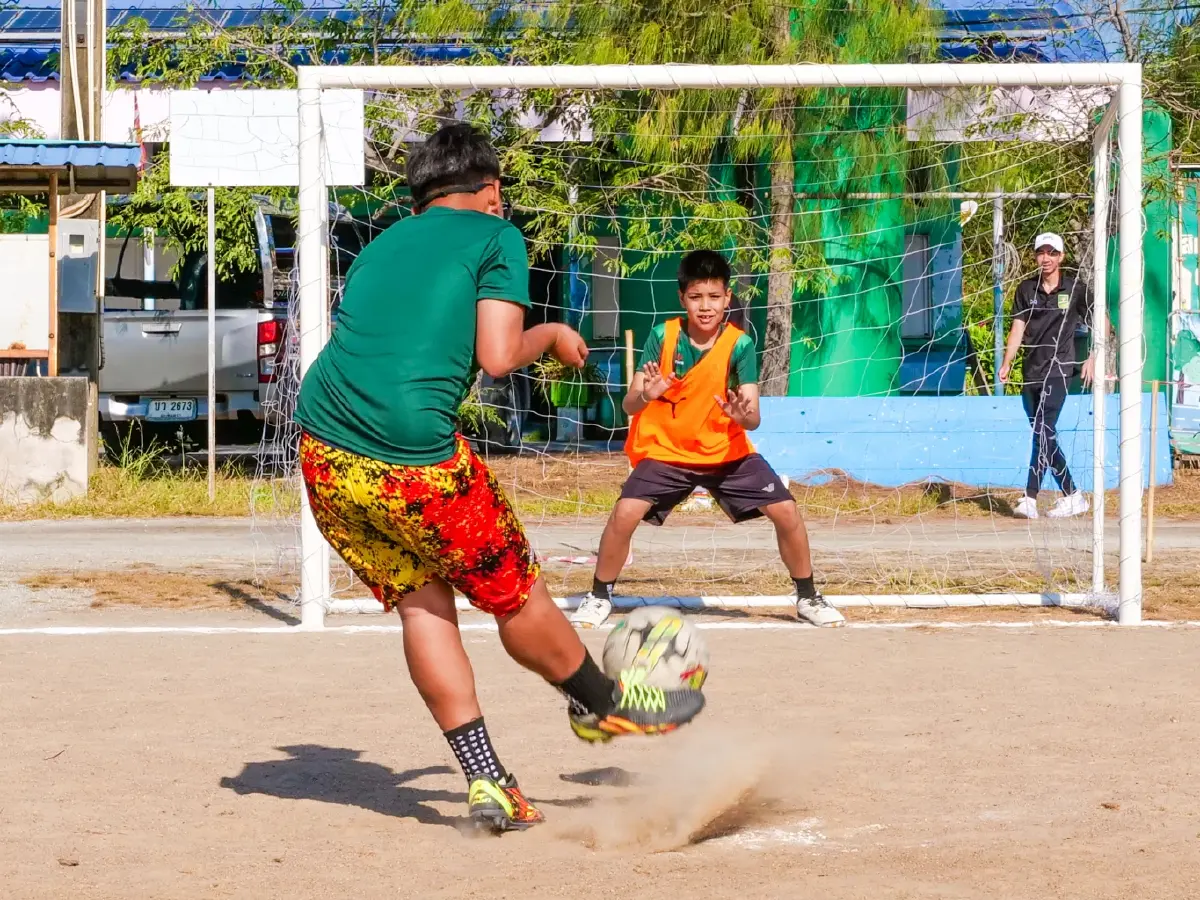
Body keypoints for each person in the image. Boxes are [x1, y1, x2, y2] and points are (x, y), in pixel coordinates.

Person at [292, 122, 705, 834]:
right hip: (415, 464)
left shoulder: (384, 241)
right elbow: (498, 355)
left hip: (325, 454)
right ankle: (602, 704)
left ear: (422, 195)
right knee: (516, 597)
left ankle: (489, 782)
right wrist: (554, 335)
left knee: (423, 606)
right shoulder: (495, 235)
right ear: (491, 190)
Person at [570, 250, 845, 629]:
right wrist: (647, 394)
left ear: (727, 298)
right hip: (668, 452)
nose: (705, 306)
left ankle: (808, 596)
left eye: (714, 297)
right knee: (624, 512)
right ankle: (600, 595)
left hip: (726, 452)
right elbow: (630, 404)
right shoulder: (662, 336)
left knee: (786, 511)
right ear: (682, 298)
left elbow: (753, 419)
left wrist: (741, 414)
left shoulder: (740, 345)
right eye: (696, 297)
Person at [998, 232, 1095, 519]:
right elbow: (1017, 327)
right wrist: (1007, 362)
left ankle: (1031, 497)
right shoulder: (1026, 289)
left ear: (1061, 257)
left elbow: (1099, 320)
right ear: (1035, 256)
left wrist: (1093, 356)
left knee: (1044, 430)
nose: (1046, 258)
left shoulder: (1075, 289)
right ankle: (1072, 495)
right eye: (1041, 252)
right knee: (1042, 435)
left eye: (1052, 253)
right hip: (1032, 370)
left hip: (1060, 369)